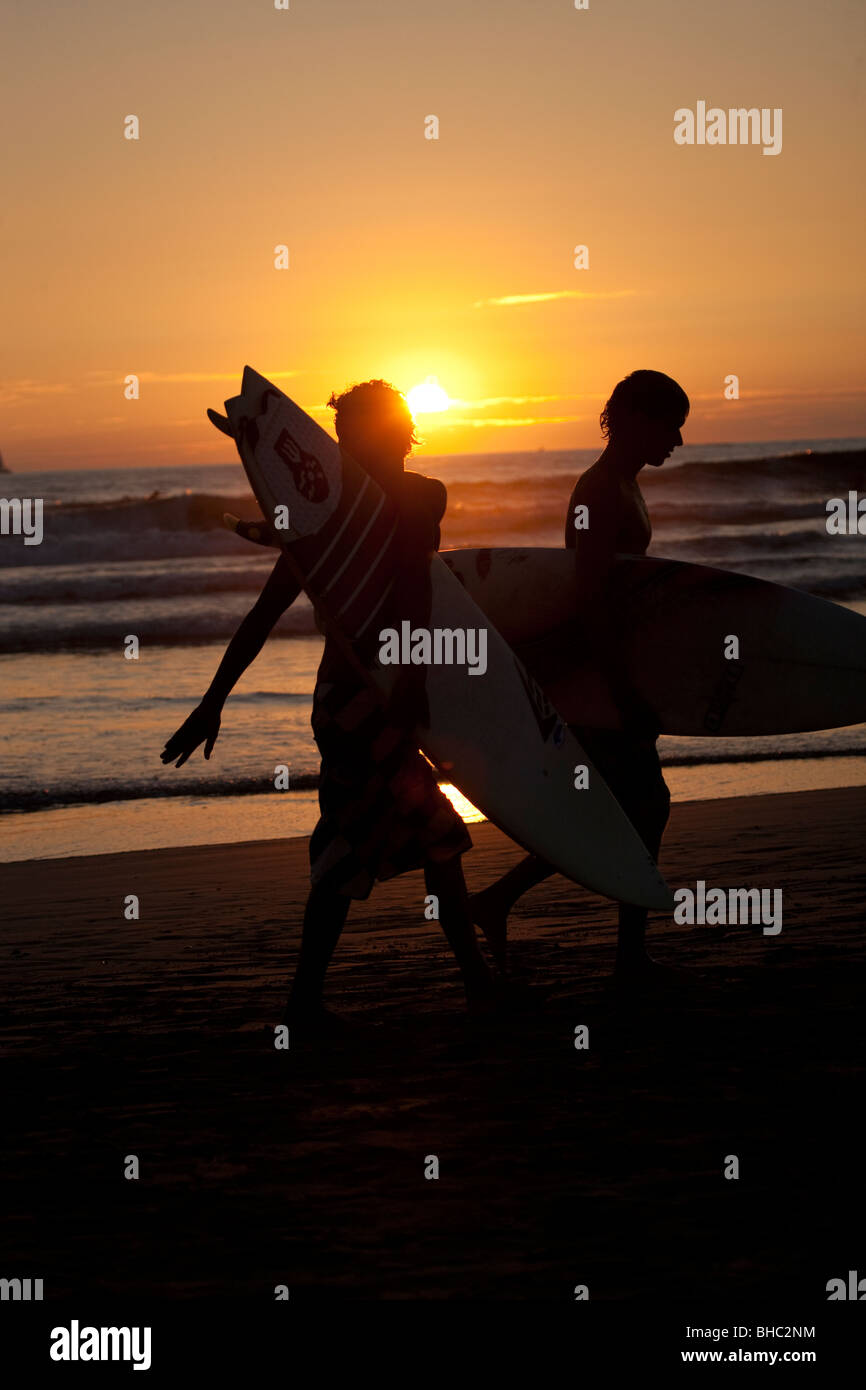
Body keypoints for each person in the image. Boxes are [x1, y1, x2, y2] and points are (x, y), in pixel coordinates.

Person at [161, 380, 498, 1023]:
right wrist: (213, 701)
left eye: (356, 434)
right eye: (342, 437)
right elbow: (266, 613)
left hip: (386, 691)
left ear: (397, 432)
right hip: (355, 703)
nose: (350, 445)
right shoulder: (331, 523)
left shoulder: (397, 502)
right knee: (365, 843)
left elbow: (412, 585)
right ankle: (310, 1001)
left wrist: (414, 683)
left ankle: (450, 986)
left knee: (431, 838)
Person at [470, 369, 689, 980]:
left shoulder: (620, 484)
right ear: (635, 420)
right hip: (596, 679)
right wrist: (619, 689)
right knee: (641, 805)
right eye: (671, 425)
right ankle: (624, 957)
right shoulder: (598, 492)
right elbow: (589, 598)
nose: (677, 439)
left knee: (627, 809)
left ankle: (503, 902)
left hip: (605, 673)